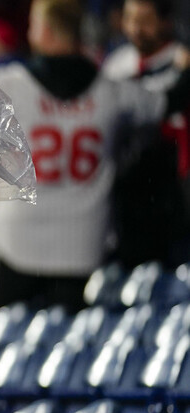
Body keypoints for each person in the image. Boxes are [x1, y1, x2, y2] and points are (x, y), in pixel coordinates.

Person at [0, 0, 190, 311]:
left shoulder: (6, 85)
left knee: (4, 347)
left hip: (17, 243)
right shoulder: (112, 91)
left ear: (44, 30)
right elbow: (170, 101)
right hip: (82, 246)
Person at [102, 0, 190, 267]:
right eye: (130, 19)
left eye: (145, 21)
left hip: (176, 187)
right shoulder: (116, 65)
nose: (135, 29)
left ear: (165, 21)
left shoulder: (182, 61)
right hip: (128, 190)